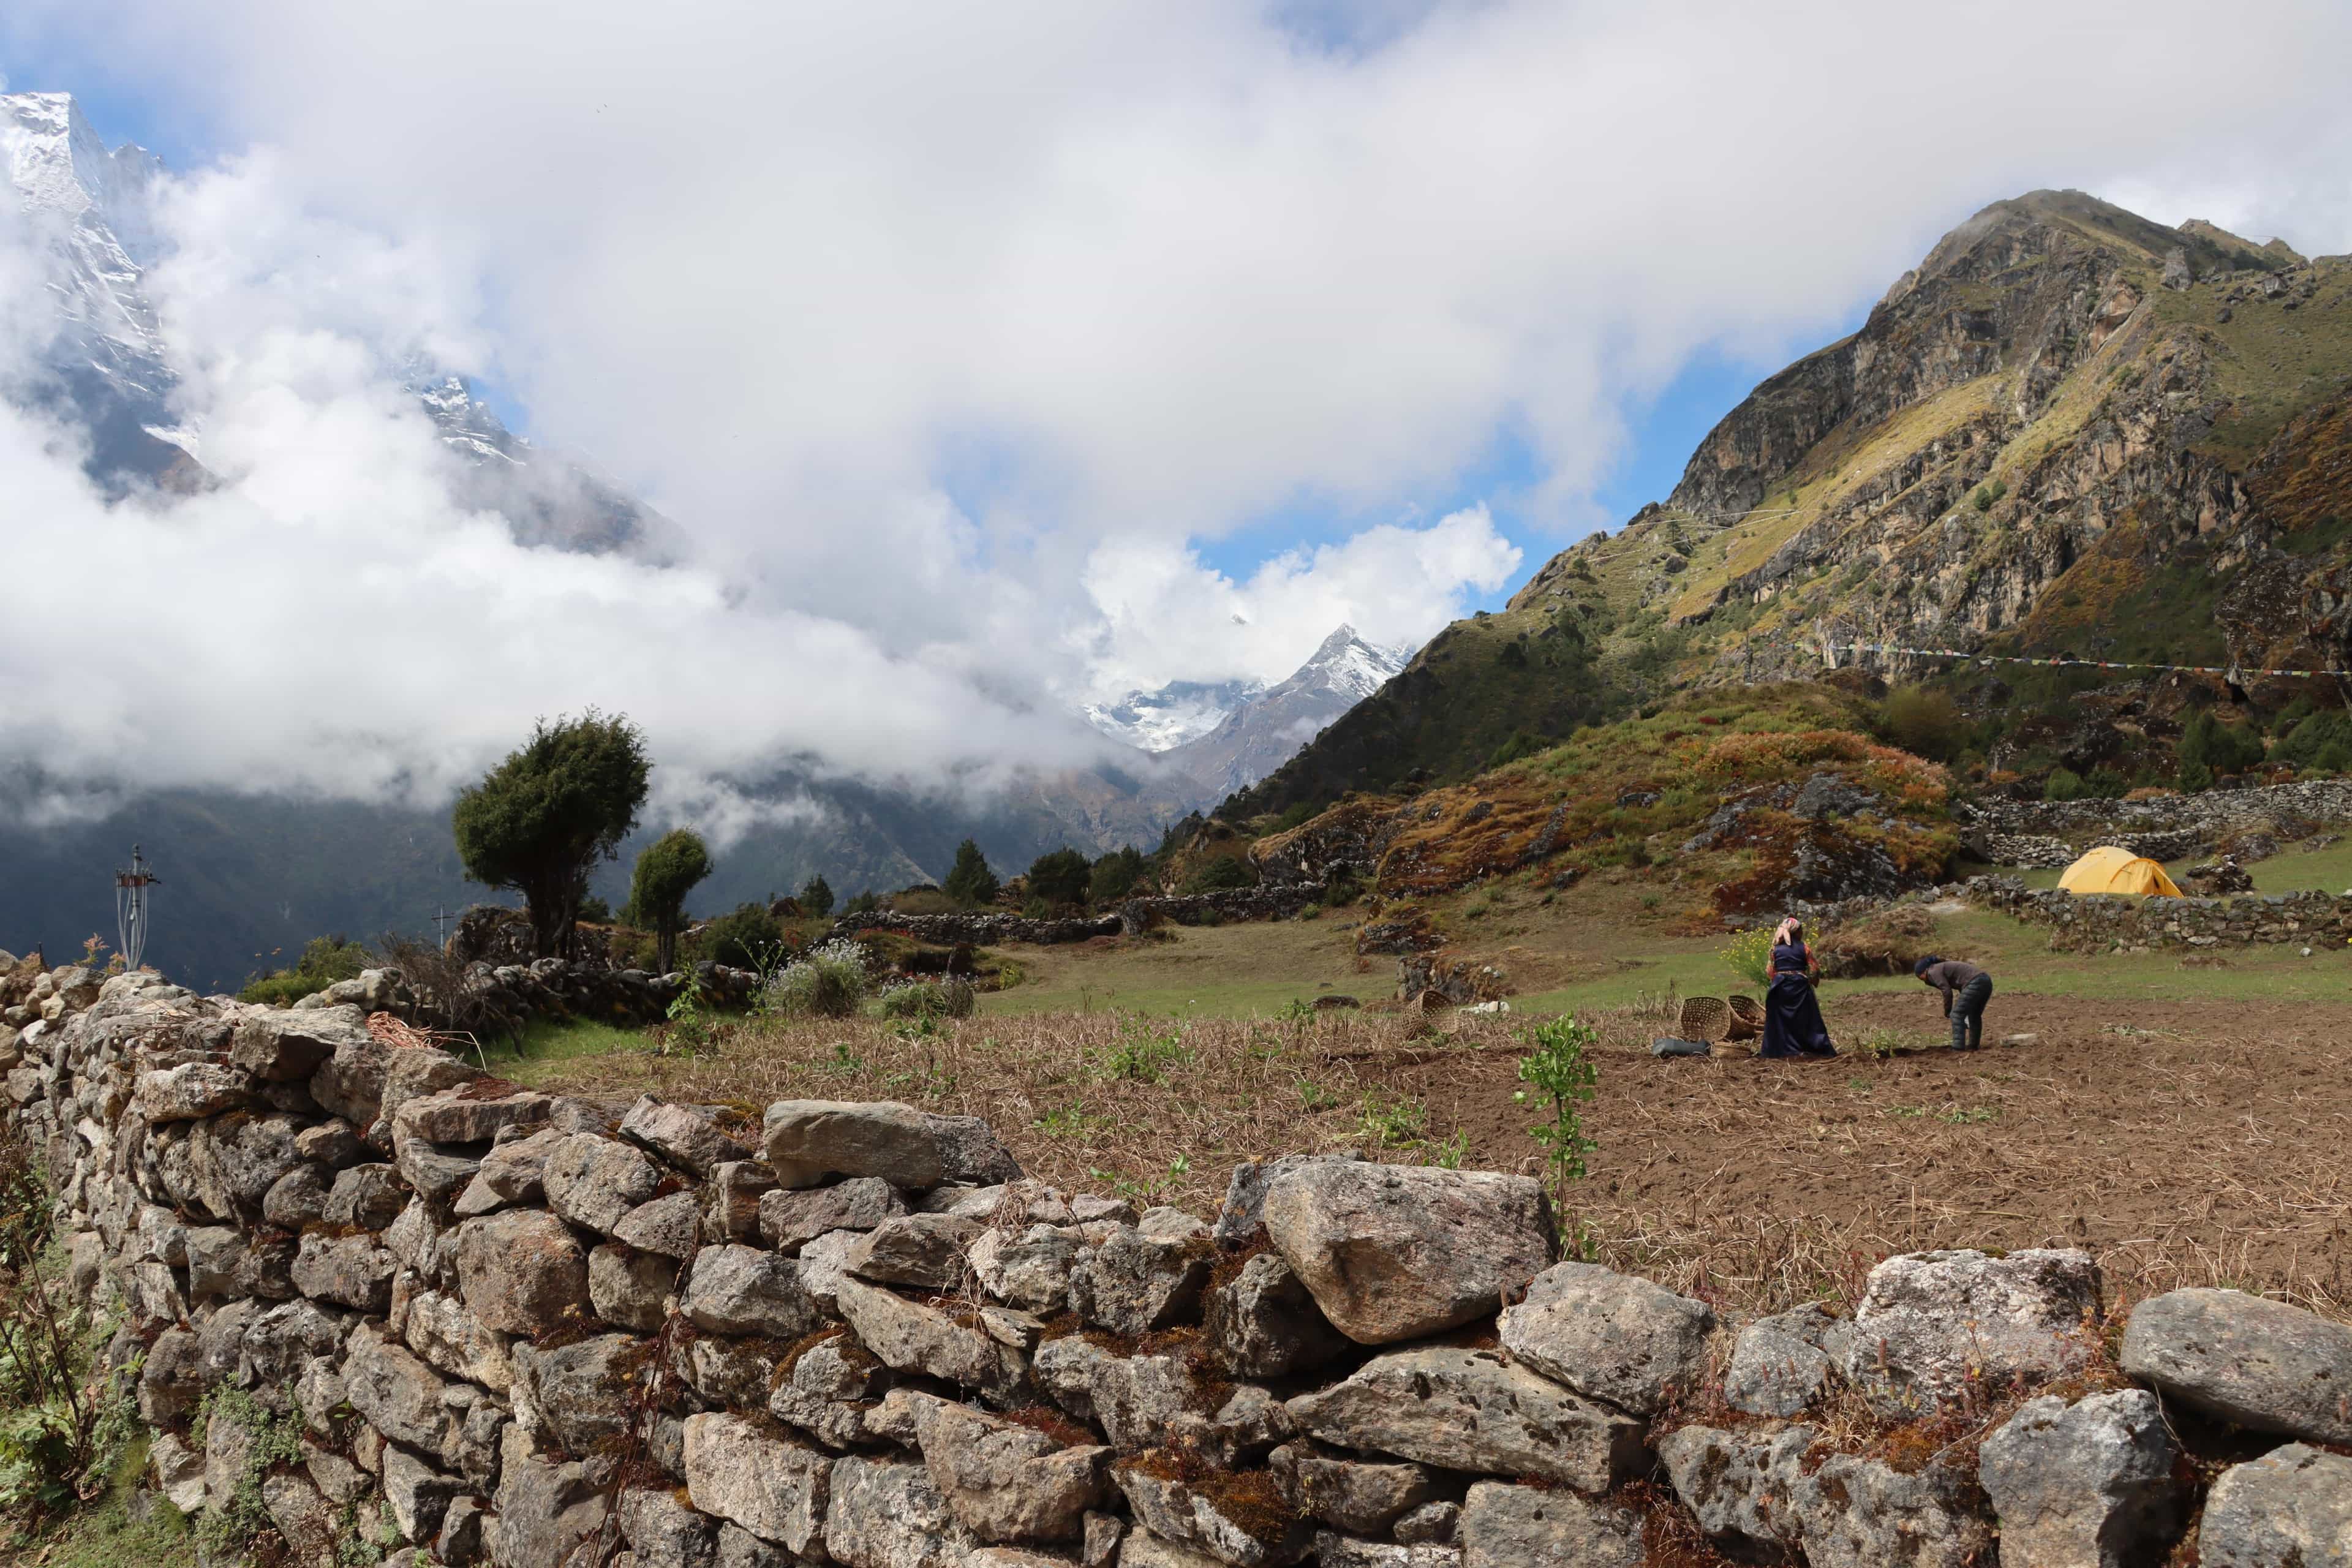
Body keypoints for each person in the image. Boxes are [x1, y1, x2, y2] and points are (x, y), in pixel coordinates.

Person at [1758, 918, 1836, 1058]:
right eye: (1801, 930)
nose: (1803, 933)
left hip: (1780, 988)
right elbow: (1814, 969)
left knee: (1781, 1020)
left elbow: (1769, 971)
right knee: (1806, 1018)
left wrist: (1779, 980)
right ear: (1797, 932)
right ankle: (1811, 1047)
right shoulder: (1804, 947)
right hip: (1800, 986)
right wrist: (1811, 980)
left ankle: (1781, 1050)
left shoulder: (1775, 949)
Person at [1915, 955, 1994, 1051]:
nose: (1924, 981)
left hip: (1975, 982)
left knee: (1956, 1014)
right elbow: (1963, 987)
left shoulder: (1933, 972)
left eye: (1921, 978)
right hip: (1985, 981)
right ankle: (1973, 1046)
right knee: (1974, 1015)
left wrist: (1948, 1012)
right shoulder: (1942, 967)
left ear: (1924, 971)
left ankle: (1958, 1048)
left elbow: (1947, 991)